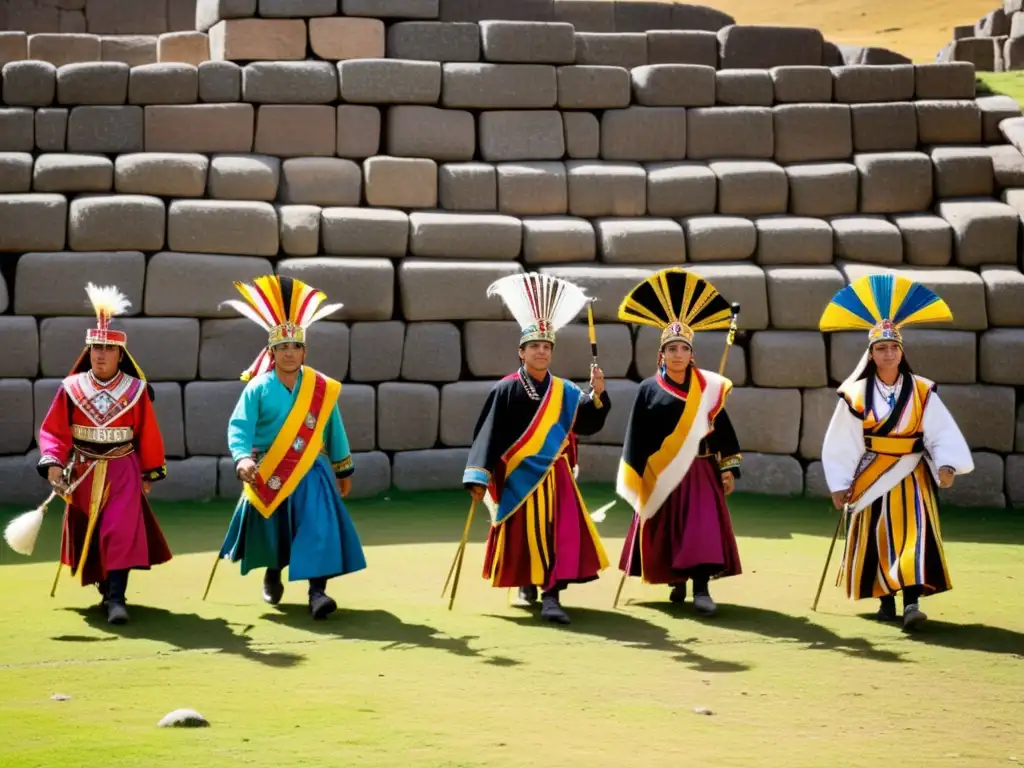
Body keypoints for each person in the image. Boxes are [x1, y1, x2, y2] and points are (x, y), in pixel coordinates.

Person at [819, 273, 973, 631]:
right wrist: (840, 484)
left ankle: (912, 602)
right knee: (876, 536)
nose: (888, 353)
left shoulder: (922, 391)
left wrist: (947, 463)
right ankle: (885, 601)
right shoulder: (855, 394)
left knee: (913, 536)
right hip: (871, 474)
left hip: (912, 474)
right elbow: (842, 440)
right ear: (871, 354)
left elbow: (939, 431)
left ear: (902, 351)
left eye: (893, 347)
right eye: (880, 348)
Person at [462, 273, 611, 625]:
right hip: (518, 476)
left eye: (547, 346)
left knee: (557, 534)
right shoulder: (506, 389)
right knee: (525, 536)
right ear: (522, 351)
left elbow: (586, 423)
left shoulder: (566, 391)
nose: (541, 351)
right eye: (534, 346)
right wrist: (478, 475)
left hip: (557, 477)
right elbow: (489, 433)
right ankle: (528, 581)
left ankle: (552, 596)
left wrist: (599, 396)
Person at [216, 274, 366, 620]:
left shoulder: (320, 388)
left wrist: (343, 469)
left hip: (312, 470)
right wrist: (242, 459)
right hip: (269, 470)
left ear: (304, 350)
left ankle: (318, 593)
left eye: (295, 346)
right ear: (272, 352)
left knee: (319, 528)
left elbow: (334, 428)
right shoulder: (257, 388)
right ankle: (273, 572)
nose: (289, 352)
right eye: (282, 347)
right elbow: (239, 426)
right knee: (275, 531)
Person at [36, 283, 172, 625]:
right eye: (96, 347)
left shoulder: (136, 390)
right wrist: (53, 462)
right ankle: (104, 587)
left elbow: (148, 434)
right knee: (91, 534)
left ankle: (117, 599)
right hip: (82, 468)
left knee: (118, 530)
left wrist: (147, 472)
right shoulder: (71, 388)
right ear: (88, 350)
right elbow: (53, 430)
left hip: (122, 469)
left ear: (119, 354)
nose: (100, 353)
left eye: (108, 348)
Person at [614, 267, 742, 616]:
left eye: (683, 348)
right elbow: (636, 433)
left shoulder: (708, 388)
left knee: (700, 529)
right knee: (668, 530)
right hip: (663, 470)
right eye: (671, 348)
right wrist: (636, 474)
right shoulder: (648, 390)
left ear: (691, 353)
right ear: (662, 354)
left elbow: (723, 427)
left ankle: (701, 588)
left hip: (700, 469)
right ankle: (677, 580)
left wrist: (727, 466)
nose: (677, 354)